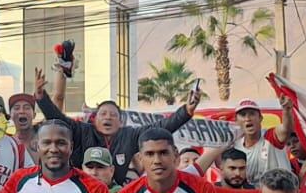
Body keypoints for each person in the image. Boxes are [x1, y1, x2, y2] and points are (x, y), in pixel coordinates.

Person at [38, 54, 201, 178]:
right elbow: (57, 118)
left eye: (112, 115)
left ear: (121, 120)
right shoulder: (82, 131)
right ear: (95, 119)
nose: (107, 118)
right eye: (103, 114)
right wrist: (41, 97)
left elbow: (161, 128)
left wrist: (186, 111)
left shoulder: (130, 135)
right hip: (81, 191)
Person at [231, 98, 297, 182]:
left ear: (260, 118)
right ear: (236, 121)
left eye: (252, 114)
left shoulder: (270, 136)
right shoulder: (236, 146)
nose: (247, 118)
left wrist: (286, 110)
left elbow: (286, 129)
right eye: (243, 115)